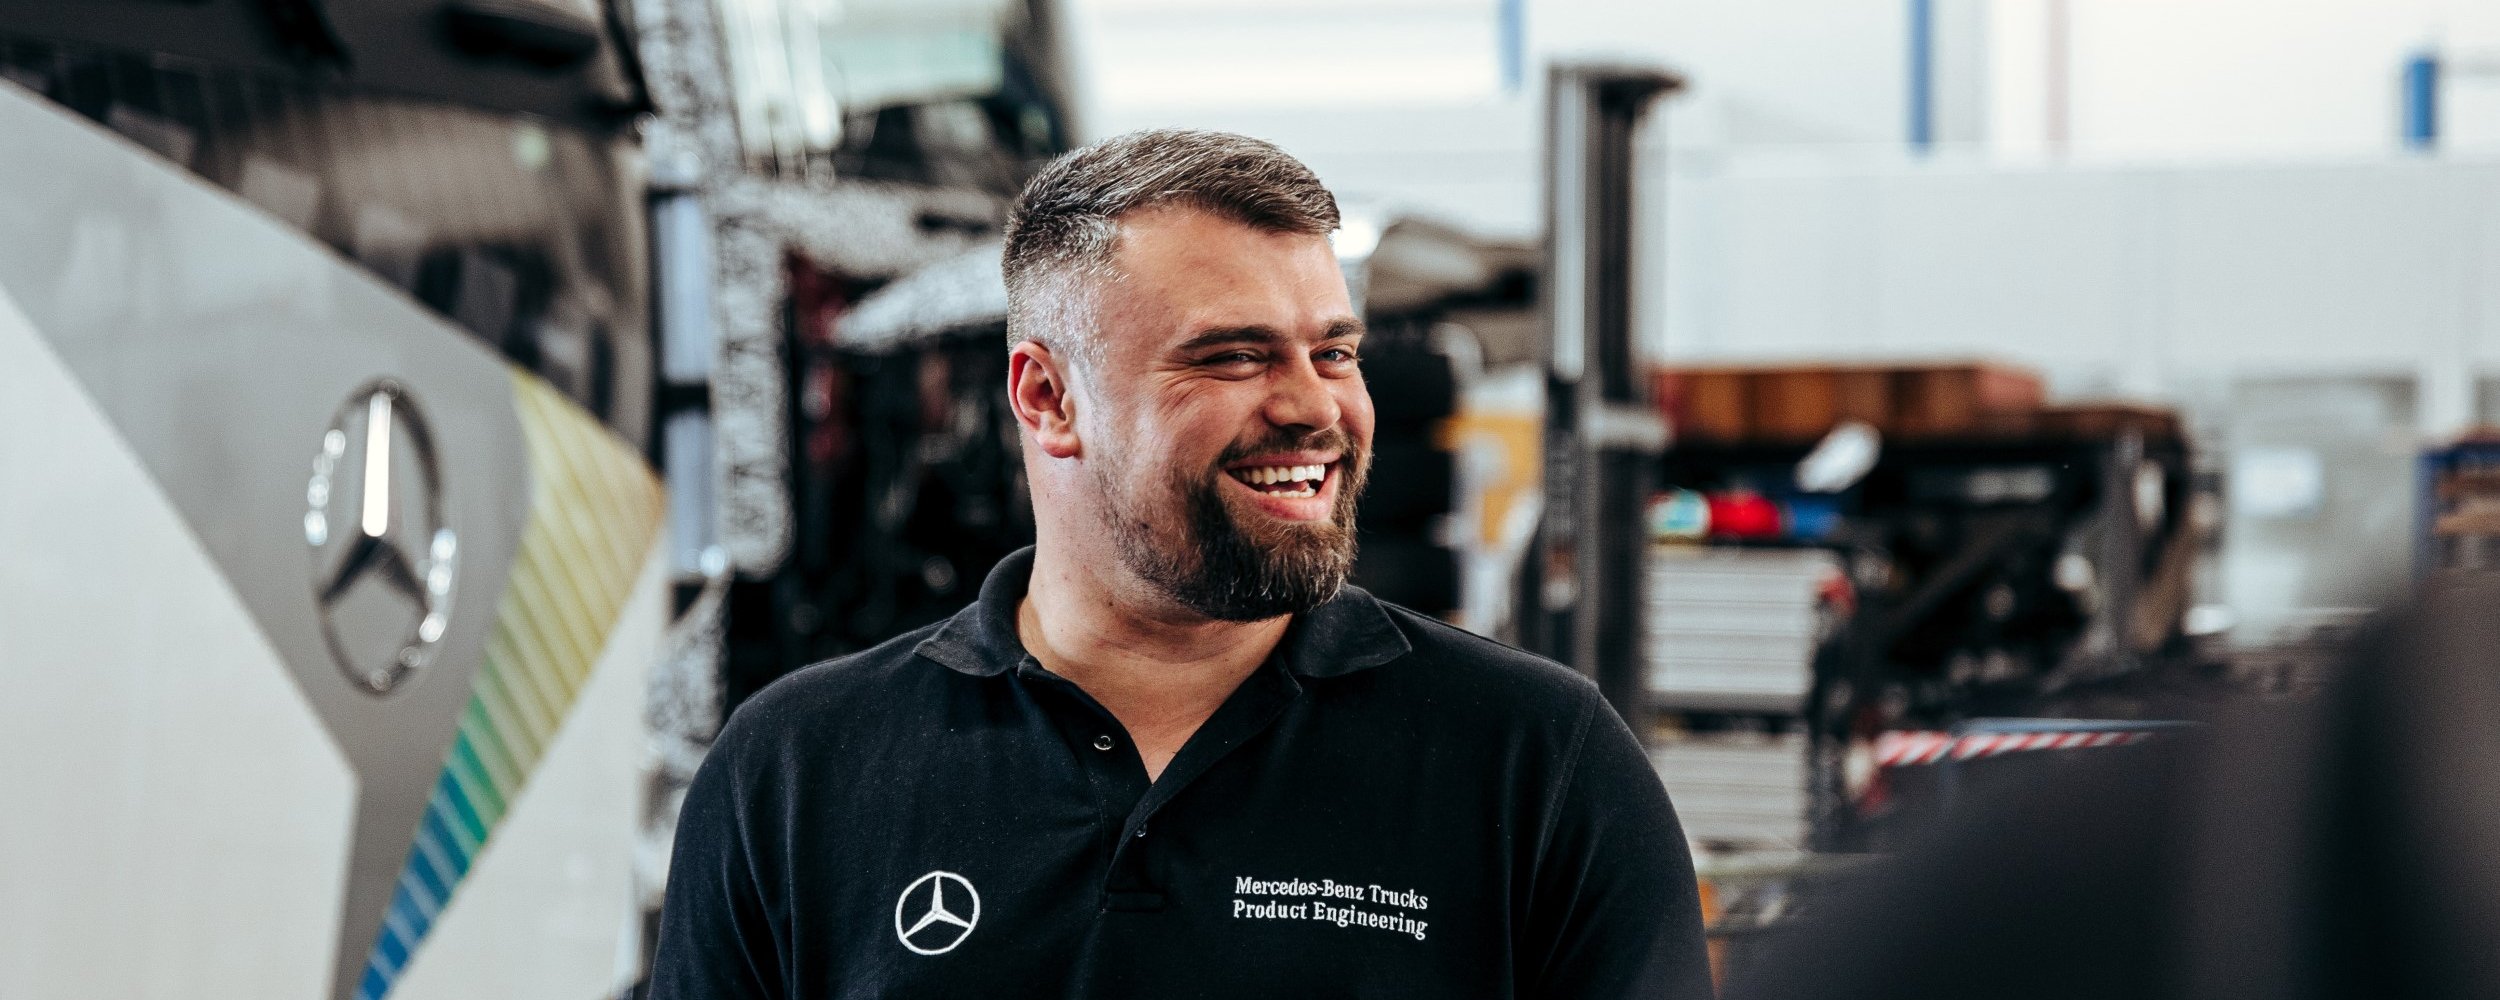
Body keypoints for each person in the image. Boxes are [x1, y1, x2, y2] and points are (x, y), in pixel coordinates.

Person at [649, 128, 1710, 999]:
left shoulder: (1536, 763)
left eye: (1332, 351)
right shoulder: (796, 770)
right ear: (1047, 399)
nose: (1314, 406)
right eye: (1234, 355)